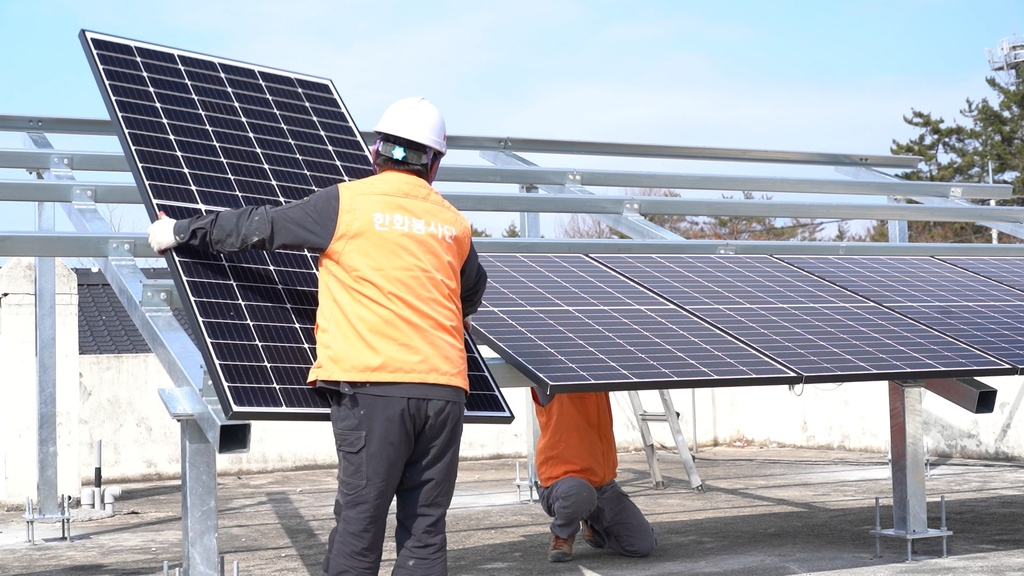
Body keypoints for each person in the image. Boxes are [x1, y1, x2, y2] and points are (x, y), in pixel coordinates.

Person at [147, 97, 487, 576]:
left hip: (373, 388)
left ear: (377, 152)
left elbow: (259, 226)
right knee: (426, 530)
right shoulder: (453, 223)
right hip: (445, 390)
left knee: (360, 524)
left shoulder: (348, 202)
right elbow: (473, 288)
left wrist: (181, 231)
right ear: (435, 164)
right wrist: (460, 314)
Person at [532, 388, 656, 562]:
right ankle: (563, 534)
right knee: (580, 492)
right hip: (563, 483)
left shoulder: (599, 375)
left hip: (603, 484)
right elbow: (537, 365)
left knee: (642, 545)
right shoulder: (551, 377)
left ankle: (591, 521)